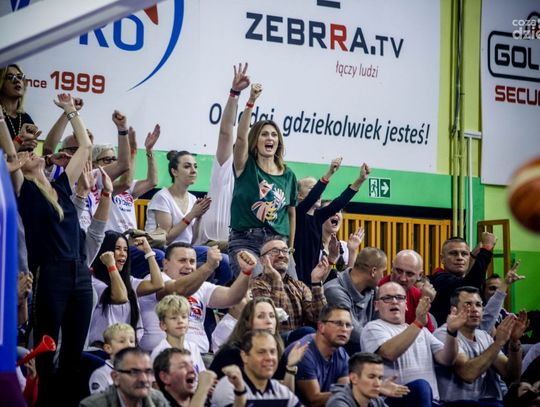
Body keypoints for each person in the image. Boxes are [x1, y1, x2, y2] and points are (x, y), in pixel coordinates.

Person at [4, 93, 93, 406]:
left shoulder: (63, 186)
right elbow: (10, 156)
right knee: (46, 351)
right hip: (50, 273)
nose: (33, 153)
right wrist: (8, 138)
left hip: (80, 274)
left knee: (73, 355)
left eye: (33, 151)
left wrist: (70, 111)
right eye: (26, 153)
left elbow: (85, 147)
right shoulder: (23, 189)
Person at [228, 83, 297, 276]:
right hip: (246, 241)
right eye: (264, 134)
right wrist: (251, 101)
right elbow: (240, 138)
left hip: (279, 244)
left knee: (293, 288)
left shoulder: (288, 174)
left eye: (274, 135)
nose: (270, 138)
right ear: (255, 141)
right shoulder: (245, 165)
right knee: (258, 285)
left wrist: (290, 248)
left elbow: (291, 214)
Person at [360, 282, 468, 406]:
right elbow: (389, 353)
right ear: (376, 305)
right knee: (421, 386)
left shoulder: (423, 331)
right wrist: (418, 323)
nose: (394, 301)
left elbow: (447, 360)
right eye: (387, 298)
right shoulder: (372, 328)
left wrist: (451, 332)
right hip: (394, 401)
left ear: (406, 305)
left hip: (431, 401)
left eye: (399, 297)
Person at [141, 243, 254, 354]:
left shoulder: (202, 286)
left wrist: (245, 272)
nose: (188, 266)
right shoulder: (155, 280)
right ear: (165, 264)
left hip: (199, 356)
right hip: (162, 355)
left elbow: (232, 297)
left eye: (192, 261)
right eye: (182, 260)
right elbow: (178, 290)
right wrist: (209, 267)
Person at [145, 149, 232, 285]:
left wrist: (199, 217)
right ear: (174, 172)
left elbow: (193, 240)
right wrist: (192, 215)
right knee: (214, 260)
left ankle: (213, 297)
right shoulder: (162, 197)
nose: (193, 170)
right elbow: (166, 238)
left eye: (195, 166)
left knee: (225, 260)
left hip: (187, 249)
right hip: (165, 250)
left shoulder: (192, 199)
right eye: (187, 166)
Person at [434, 286, 528, 406]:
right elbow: (468, 374)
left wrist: (514, 342)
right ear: (454, 310)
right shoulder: (444, 334)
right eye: (468, 304)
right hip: (454, 404)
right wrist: (498, 342)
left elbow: (512, 376)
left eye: (478, 305)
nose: (474, 309)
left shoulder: (483, 336)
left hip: (484, 402)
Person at [196, 63, 250, 249]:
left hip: (241, 250)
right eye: (241, 144)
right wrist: (235, 93)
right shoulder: (226, 167)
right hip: (210, 248)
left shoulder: (257, 180)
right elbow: (226, 132)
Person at [293, 157, 370, 284]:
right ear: (299, 195)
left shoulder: (318, 217)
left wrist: (360, 180)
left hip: (312, 281)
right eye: (312, 188)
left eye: (318, 188)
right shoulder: (297, 214)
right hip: (295, 280)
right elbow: (312, 197)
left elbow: (340, 201)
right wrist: (330, 173)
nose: (319, 192)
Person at [209, 297, 308, 394]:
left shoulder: (277, 351)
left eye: (272, 316)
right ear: (247, 323)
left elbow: (286, 397)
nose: (269, 321)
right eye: (261, 316)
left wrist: (290, 368)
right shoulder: (232, 353)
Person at [88, 232, 164, 344]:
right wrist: (110, 265)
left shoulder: (128, 281)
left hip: (127, 347)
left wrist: (148, 251)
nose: (123, 254)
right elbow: (121, 297)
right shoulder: (93, 283)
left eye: (125, 250)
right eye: (117, 249)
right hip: (102, 348)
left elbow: (157, 284)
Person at [250, 236, 330, 340]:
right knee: (307, 332)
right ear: (262, 260)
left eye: (285, 251)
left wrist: (316, 282)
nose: (281, 255)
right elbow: (275, 319)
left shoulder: (299, 286)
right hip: (271, 339)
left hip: (299, 340)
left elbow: (319, 318)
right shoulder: (257, 284)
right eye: (274, 251)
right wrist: (277, 279)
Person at [284, 304, 352, 407]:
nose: (344, 329)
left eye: (348, 325)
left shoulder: (341, 353)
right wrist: (354, 391)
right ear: (321, 326)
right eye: (338, 323)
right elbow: (314, 400)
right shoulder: (303, 351)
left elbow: (344, 389)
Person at [211, 330, 302, 407]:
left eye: (272, 352)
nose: (269, 357)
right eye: (261, 352)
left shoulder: (279, 389)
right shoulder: (229, 386)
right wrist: (240, 392)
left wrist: (290, 367)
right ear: (245, 356)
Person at [324, 247, 387, 354]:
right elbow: (352, 330)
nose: (383, 276)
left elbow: (382, 324)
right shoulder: (334, 291)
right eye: (383, 272)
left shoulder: (375, 291)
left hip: (365, 349)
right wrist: (384, 344)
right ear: (373, 272)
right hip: (341, 351)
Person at [430, 233, 497, 325]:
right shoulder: (439, 279)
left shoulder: (463, 279)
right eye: (453, 253)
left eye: (464, 254)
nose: (460, 257)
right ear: (442, 259)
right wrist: (486, 249)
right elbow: (469, 286)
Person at [80, 347, 169, 407]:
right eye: (134, 372)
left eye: (148, 372)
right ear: (115, 377)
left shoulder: (158, 400)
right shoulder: (92, 405)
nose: (144, 379)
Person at [378, 250, 436, 332]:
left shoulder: (417, 295)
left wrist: (424, 301)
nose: (403, 278)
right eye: (399, 271)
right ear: (392, 268)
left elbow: (427, 333)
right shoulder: (378, 289)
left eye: (409, 274)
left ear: (420, 275)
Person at [150, 294, 205, 373]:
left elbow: (201, 375)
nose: (180, 321)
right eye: (174, 318)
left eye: (184, 317)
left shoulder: (193, 348)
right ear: (163, 325)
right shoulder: (159, 352)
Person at [326, 353, 396, 407]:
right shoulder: (338, 403)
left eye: (380, 378)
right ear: (354, 378)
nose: (377, 384)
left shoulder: (375, 400)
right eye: (371, 377)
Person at [89, 323, 136, 395]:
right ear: (108, 348)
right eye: (122, 341)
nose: (129, 345)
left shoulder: (137, 372)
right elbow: (99, 400)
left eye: (132, 341)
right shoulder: (100, 375)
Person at [0, 64, 35, 145]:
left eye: (20, 77)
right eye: (10, 77)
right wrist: (19, 143)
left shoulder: (26, 118)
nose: (17, 80)